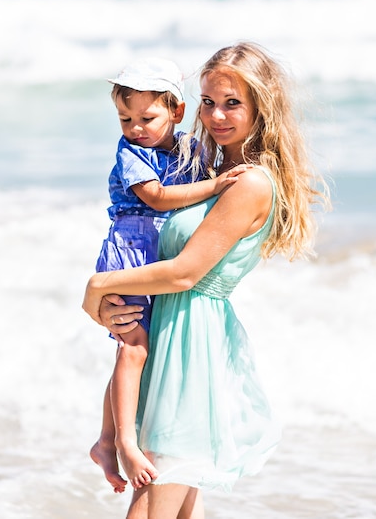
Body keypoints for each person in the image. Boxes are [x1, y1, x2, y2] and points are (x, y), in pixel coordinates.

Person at [83, 42, 329, 519]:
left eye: (233, 103)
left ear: (262, 106)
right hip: (174, 332)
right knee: (176, 507)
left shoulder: (248, 183)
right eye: (209, 102)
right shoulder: (206, 170)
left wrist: (98, 287)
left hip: (190, 345)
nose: (217, 115)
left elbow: (185, 271)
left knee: (155, 503)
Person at [90, 57, 249, 494]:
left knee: (144, 348)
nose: (135, 127)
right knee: (134, 346)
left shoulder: (191, 150)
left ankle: (105, 439)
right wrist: (216, 186)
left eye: (147, 117)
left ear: (177, 112)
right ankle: (122, 440)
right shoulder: (132, 152)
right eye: (125, 119)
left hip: (161, 254)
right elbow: (159, 199)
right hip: (132, 253)